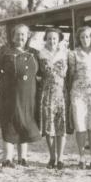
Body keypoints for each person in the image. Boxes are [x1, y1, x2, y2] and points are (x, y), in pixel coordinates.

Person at [0, 24, 41, 168]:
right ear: (13, 37)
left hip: (28, 96)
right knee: (9, 123)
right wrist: (5, 79)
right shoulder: (5, 52)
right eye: (18, 34)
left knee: (24, 122)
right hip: (9, 95)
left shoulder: (34, 53)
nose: (20, 37)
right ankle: (7, 159)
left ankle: (23, 158)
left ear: (27, 36)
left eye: (23, 35)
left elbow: (41, 72)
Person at [68, 26, 91, 170]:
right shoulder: (73, 53)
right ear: (78, 38)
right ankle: (81, 157)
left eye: (87, 36)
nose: (85, 39)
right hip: (78, 92)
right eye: (82, 37)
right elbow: (71, 73)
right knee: (80, 125)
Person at [38, 27, 69, 170]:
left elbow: (69, 73)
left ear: (59, 40)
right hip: (47, 93)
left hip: (61, 93)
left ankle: (60, 158)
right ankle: (52, 157)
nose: (52, 41)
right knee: (49, 127)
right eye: (49, 38)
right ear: (46, 39)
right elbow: (38, 74)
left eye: (55, 38)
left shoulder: (65, 53)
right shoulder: (41, 54)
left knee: (60, 127)